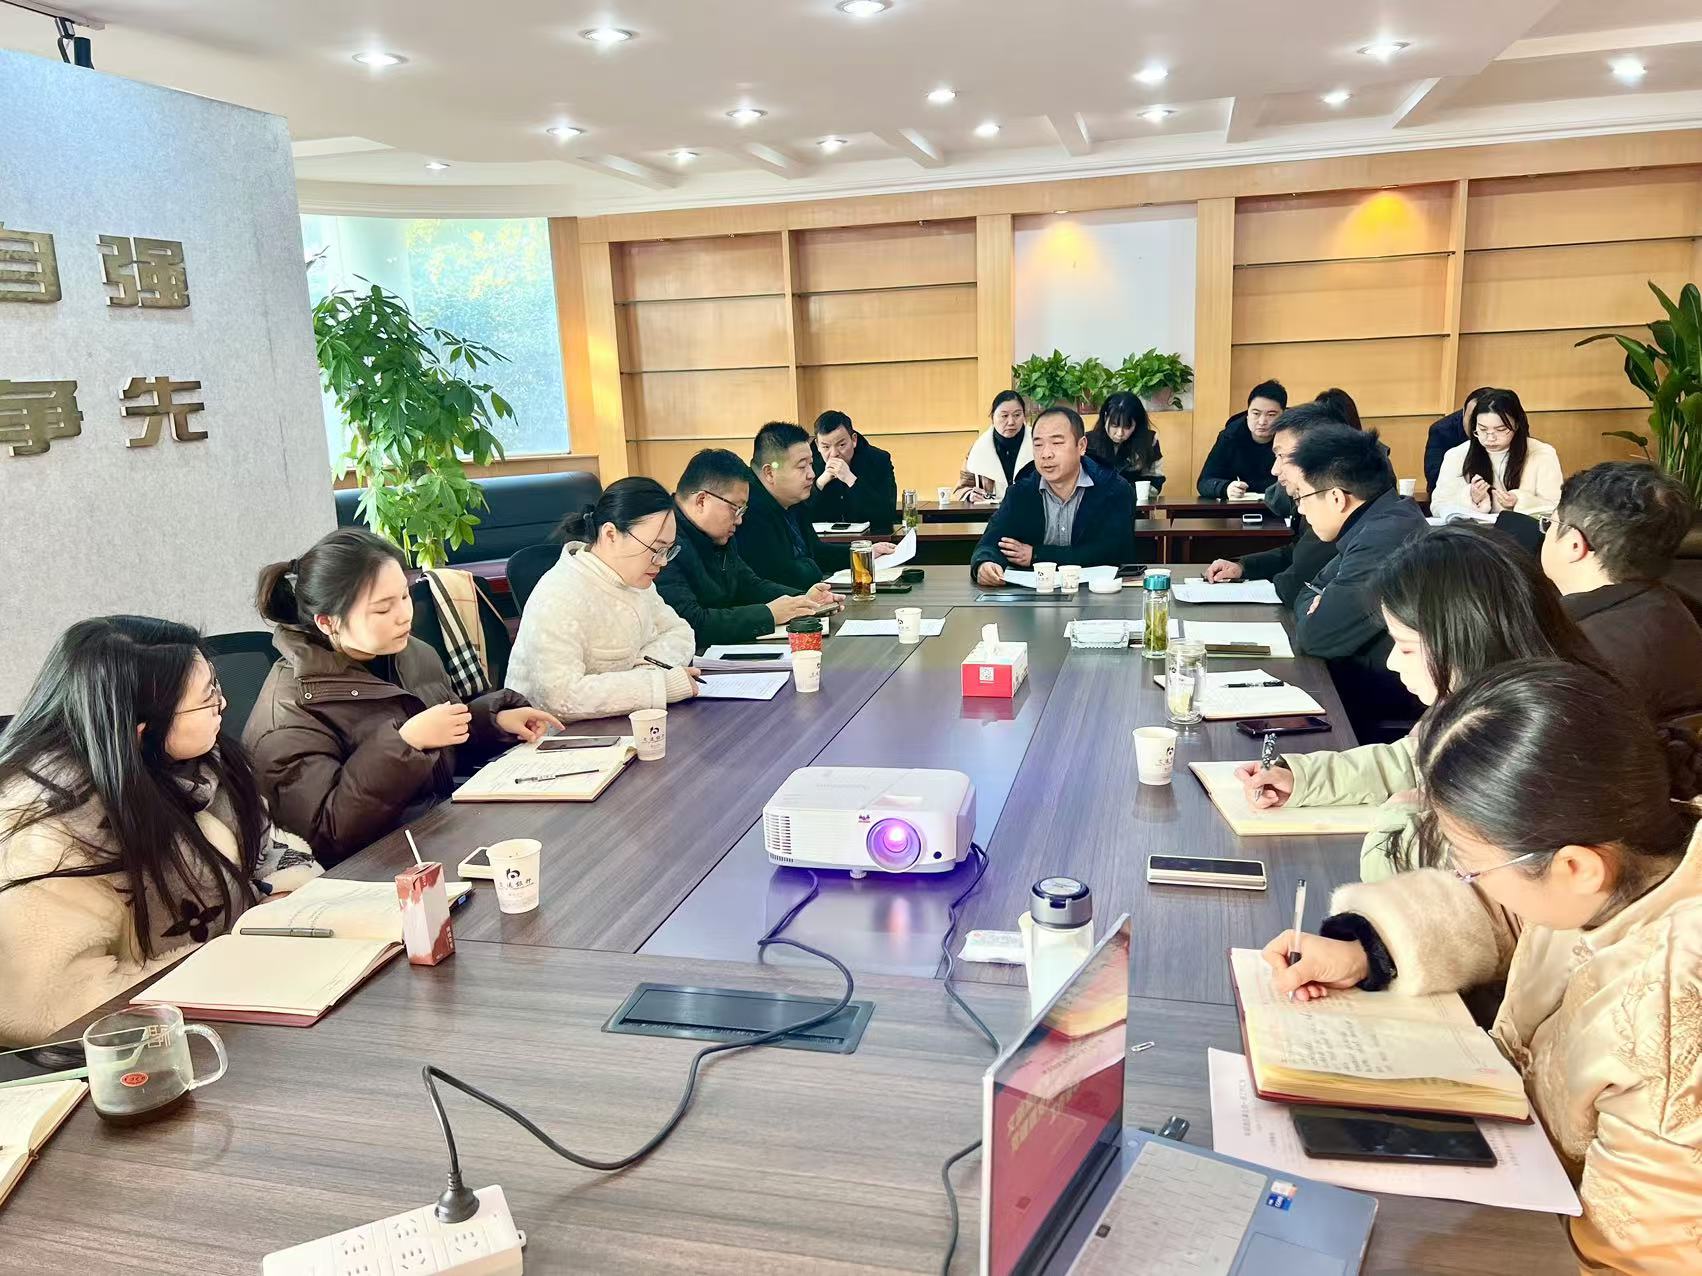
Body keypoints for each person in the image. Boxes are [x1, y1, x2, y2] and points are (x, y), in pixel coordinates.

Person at [1263, 661, 1702, 1276]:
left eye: (1471, 864)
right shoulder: (1635, 847)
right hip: (1510, 1156)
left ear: (1575, 867)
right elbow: (1515, 911)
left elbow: (1632, 1257)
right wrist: (1368, 947)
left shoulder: (1675, 1022)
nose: (1468, 879)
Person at [0, 617, 319, 1047]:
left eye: (216, 686)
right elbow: (53, 1006)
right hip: (150, 1050)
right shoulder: (54, 832)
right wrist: (229, 966)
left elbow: (270, 848)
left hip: (253, 997)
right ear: (140, 729)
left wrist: (284, 904)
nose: (224, 704)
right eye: (207, 698)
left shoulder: (198, 763)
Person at [1236, 525, 1604, 880]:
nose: (1393, 661)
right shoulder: (1482, 702)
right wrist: (1302, 778)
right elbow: (1410, 760)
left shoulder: (1532, 741)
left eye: (1407, 647)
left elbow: (1432, 883)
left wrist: (1401, 819)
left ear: (1466, 639)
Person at [246, 529, 560, 866]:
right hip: (373, 870)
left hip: (438, 835)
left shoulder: (413, 654)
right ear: (327, 622)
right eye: (383, 609)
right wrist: (405, 744)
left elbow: (443, 754)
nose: (404, 615)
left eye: (405, 596)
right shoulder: (289, 710)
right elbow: (324, 835)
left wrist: (493, 722)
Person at [506, 477, 702, 722]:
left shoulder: (634, 580)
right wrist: (660, 685)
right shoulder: (559, 594)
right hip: (554, 736)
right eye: (656, 549)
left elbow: (679, 632)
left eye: (668, 550)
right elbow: (559, 696)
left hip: (620, 723)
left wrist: (647, 671)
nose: (662, 562)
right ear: (610, 534)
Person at [1287, 424, 1430, 732]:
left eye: (1303, 497)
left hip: (1383, 698)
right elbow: (1307, 591)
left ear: (1336, 498)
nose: (1302, 510)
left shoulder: (1384, 538)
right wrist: (1317, 601)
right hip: (1363, 680)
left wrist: (1320, 602)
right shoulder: (1381, 519)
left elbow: (1317, 636)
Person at [1541, 460, 1702, 722]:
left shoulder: (1561, 648)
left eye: (1548, 523)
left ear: (1574, 545)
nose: (1545, 532)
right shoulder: (1683, 611)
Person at [655, 447, 836, 651]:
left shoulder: (718, 535)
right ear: (701, 500)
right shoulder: (664, 543)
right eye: (735, 508)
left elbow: (748, 584)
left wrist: (803, 600)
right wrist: (769, 614)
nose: (739, 520)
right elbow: (691, 622)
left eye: (743, 510)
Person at [970, 406, 1135, 586]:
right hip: (1034, 596)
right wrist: (985, 563)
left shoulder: (1114, 489)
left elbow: (1113, 552)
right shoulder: (1021, 492)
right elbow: (991, 541)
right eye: (1038, 445)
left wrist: (1036, 555)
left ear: (1081, 446)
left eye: (1057, 443)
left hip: (1098, 593)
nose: (1046, 454)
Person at [1203, 402, 1342, 605]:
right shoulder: (1314, 497)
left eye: (1281, 456)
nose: (1274, 470)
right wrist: (1242, 567)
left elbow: (1295, 583)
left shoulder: (1332, 505)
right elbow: (1298, 552)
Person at [737, 422, 893, 591]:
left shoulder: (792, 499)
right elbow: (783, 575)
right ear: (769, 473)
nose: (811, 474)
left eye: (811, 464)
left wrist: (863, 553)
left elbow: (816, 552)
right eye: (802, 466)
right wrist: (811, 566)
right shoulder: (748, 509)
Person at [1431, 388, 1563, 517]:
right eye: (1482, 429)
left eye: (1500, 430)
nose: (1490, 438)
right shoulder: (1456, 455)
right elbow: (1438, 505)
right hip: (1470, 530)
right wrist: (1470, 498)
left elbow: (1556, 508)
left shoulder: (1542, 454)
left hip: (1521, 530)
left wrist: (1519, 501)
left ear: (1517, 425)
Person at [808, 410, 898, 533]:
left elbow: (886, 514)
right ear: (817, 445)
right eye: (826, 447)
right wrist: (819, 483)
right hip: (822, 540)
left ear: (854, 440)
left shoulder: (878, 460)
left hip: (870, 538)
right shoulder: (808, 463)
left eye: (841, 445)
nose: (834, 454)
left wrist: (851, 480)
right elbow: (799, 513)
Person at [1196, 379, 1286, 499]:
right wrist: (1226, 488)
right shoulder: (1231, 435)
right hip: (1244, 502)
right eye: (1256, 413)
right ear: (1247, 414)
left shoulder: (1294, 434)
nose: (1262, 422)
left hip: (1284, 502)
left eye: (1271, 415)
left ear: (1284, 415)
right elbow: (1204, 482)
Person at [955, 390, 1033, 502]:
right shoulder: (979, 448)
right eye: (1004, 416)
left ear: (1024, 416)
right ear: (992, 417)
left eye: (1017, 415)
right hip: (992, 511)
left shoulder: (1037, 443)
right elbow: (962, 488)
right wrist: (970, 495)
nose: (1011, 422)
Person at [1083, 391, 1165, 493]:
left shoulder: (1149, 441)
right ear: (1105, 417)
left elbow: (1155, 481)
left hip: (1134, 500)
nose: (1120, 433)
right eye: (1114, 425)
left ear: (1137, 423)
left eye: (1127, 427)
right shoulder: (1087, 443)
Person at [1423, 386, 1493, 496]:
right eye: (1473, 419)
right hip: (1452, 496)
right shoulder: (1442, 431)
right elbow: (1434, 478)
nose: (1477, 426)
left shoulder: (1508, 428)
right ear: (1463, 413)